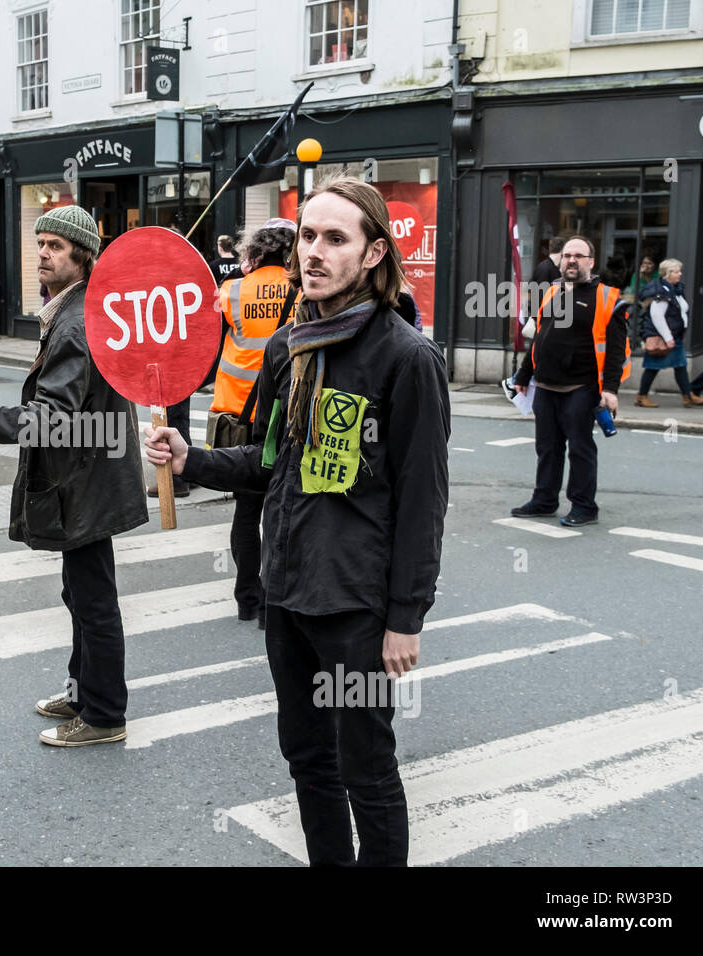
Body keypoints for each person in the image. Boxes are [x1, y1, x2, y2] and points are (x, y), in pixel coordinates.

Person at [144, 176, 450, 864]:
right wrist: (192, 459)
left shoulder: (407, 357)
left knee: (366, 768)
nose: (314, 251)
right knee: (308, 761)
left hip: (356, 605)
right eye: (308, 235)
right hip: (287, 593)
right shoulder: (289, 347)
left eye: (335, 239)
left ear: (373, 255)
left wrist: (406, 616)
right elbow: (271, 464)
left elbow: (424, 500)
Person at [0, 204, 147, 748]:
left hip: (85, 481)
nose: (43, 254)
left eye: (55, 245)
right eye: (40, 244)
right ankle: (83, 691)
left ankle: (104, 715)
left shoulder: (76, 322)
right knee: (80, 594)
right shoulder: (74, 310)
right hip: (87, 475)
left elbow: (50, 420)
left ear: (83, 255)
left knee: (94, 601)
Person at [208, 218, 298, 628]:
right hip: (288, 415)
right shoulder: (303, 291)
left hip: (240, 413)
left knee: (247, 511)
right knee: (283, 509)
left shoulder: (233, 291)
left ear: (256, 251)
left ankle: (248, 597)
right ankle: (275, 600)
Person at [509, 235, 630, 527]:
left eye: (578, 256)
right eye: (567, 255)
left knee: (580, 448)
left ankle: (585, 506)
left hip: (582, 388)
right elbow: (540, 339)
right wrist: (524, 376)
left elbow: (615, 352)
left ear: (591, 261)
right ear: (560, 260)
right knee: (547, 448)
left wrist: (611, 390)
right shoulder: (551, 292)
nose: (571, 260)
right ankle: (544, 500)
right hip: (546, 388)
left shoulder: (607, 298)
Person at [635, 258, 703, 408]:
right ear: (667, 274)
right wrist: (668, 338)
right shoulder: (661, 291)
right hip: (662, 337)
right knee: (653, 367)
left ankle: (688, 396)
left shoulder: (675, 289)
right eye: (676, 271)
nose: (680, 274)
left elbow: (680, 311)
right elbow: (657, 316)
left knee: (680, 366)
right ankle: (642, 396)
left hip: (674, 336)